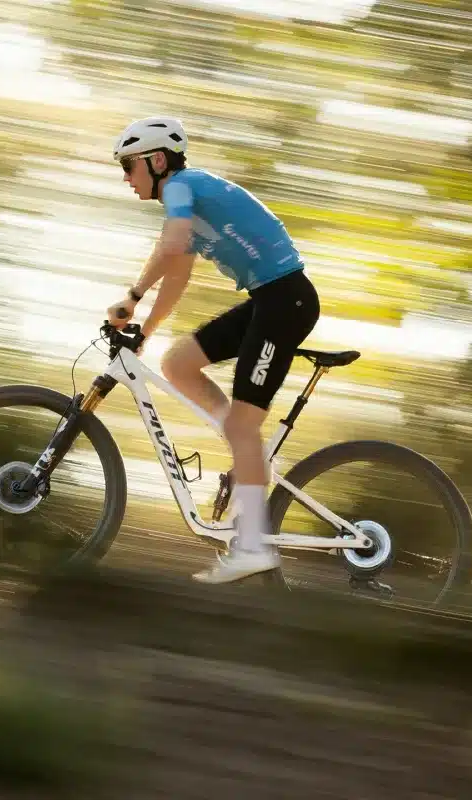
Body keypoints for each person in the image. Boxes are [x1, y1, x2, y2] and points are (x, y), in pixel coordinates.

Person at [105, 116, 320, 585]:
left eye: (129, 166)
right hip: (271, 297)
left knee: (244, 424)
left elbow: (172, 247)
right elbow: (178, 273)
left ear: (157, 161)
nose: (126, 177)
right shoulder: (186, 200)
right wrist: (147, 330)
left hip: (287, 300)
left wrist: (134, 296)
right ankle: (250, 456)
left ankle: (253, 546)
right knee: (177, 363)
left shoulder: (181, 187)